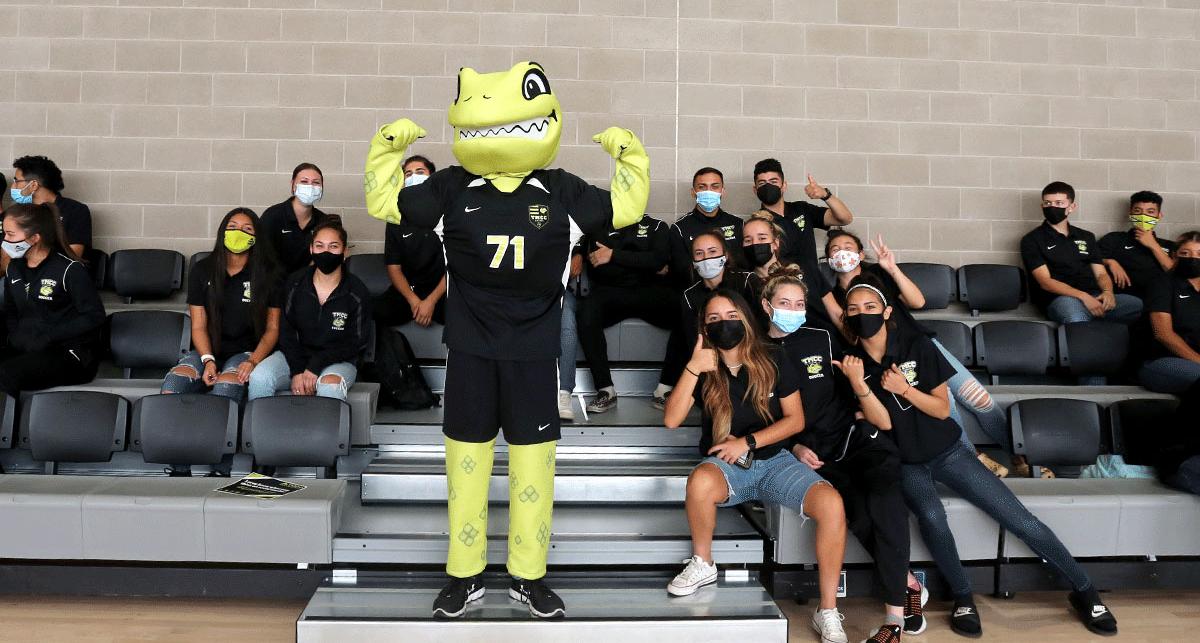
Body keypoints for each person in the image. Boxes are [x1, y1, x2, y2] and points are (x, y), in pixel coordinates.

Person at [363, 62, 651, 619]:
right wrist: (387, 148)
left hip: (534, 353)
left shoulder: (560, 187)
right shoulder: (451, 185)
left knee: (532, 472)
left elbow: (625, 207)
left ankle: (528, 576)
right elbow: (386, 203)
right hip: (469, 349)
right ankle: (464, 576)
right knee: (465, 469)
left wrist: (630, 155)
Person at [839, 275, 1118, 639]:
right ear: (844, 315)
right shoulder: (852, 364)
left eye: (871, 307)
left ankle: (1086, 591)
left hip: (947, 451)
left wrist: (904, 389)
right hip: (906, 461)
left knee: (1019, 518)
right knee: (933, 518)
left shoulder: (917, 345)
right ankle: (963, 597)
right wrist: (861, 386)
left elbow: (941, 409)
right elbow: (885, 422)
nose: (863, 314)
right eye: (854, 309)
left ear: (887, 311)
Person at [663, 289, 850, 643]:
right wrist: (692, 367)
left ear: (746, 318)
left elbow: (795, 420)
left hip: (776, 462)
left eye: (731, 315)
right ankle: (703, 564)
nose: (724, 323)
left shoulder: (773, 357)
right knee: (699, 482)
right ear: (704, 326)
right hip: (727, 467)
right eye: (714, 319)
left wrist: (746, 442)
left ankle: (827, 609)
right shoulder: (703, 364)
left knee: (832, 504)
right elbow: (672, 420)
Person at [760, 266, 918, 640]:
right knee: (857, 515)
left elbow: (862, 364)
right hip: (815, 455)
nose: (794, 310)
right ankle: (908, 582)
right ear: (767, 307)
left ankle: (894, 619)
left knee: (885, 503)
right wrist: (793, 446)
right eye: (785, 303)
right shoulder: (757, 351)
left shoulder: (823, 336)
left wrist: (862, 393)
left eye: (800, 303)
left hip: (859, 438)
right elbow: (759, 414)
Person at [825, 230, 1017, 477]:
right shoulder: (836, 297)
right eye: (834, 249)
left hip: (923, 346)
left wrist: (892, 268)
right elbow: (854, 336)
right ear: (828, 259)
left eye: (848, 246)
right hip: (892, 362)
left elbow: (918, 302)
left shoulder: (880, 274)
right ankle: (973, 460)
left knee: (980, 398)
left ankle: (1019, 455)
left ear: (860, 254)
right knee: (948, 407)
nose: (842, 252)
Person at [161, 208, 281, 403]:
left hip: (247, 352)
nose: (238, 232)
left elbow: (272, 328)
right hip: (207, 350)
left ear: (256, 236)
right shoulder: (203, 270)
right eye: (232, 227)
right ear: (222, 232)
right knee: (173, 386)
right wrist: (208, 360)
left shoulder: (269, 274)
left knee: (225, 390)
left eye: (247, 229)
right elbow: (198, 325)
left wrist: (253, 361)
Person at [248, 217, 370, 402]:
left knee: (330, 386)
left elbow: (356, 342)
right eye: (319, 246)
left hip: (338, 362)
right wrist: (297, 370)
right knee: (260, 378)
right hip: (294, 357)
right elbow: (286, 332)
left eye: (333, 246)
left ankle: (324, 432)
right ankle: (259, 430)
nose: (326, 252)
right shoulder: (295, 283)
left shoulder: (357, 291)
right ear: (311, 249)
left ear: (345, 251)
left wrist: (315, 366)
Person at [579, 213, 682, 414]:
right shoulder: (600, 225)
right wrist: (645, 264)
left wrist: (613, 255)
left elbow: (659, 259)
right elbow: (597, 267)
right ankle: (605, 390)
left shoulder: (657, 226)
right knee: (586, 311)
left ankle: (664, 390)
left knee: (686, 310)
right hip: (610, 293)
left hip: (650, 292)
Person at [0, 203, 105, 396]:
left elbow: (94, 316)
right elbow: (11, 311)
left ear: (34, 238)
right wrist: (18, 337)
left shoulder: (69, 269)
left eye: (10, 234)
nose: (5, 240)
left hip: (69, 354)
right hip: (28, 348)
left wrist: (49, 336)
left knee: (7, 374)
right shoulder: (13, 268)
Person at [1021, 181, 1142, 325]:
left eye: (1059, 203)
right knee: (1076, 317)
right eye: (1047, 203)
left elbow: (1101, 273)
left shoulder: (1086, 236)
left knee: (1135, 305)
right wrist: (1083, 297)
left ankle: (1093, 315)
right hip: (1060, 299)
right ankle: (1088, 323)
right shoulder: (1032, 240)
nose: (1052, 207)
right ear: (1042, 206)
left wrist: (1108, 292)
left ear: (1072, 207)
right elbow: (1046, 282)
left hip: (1094, 296)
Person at [752, 158, 853, 304]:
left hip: (814, 286)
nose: (768, 186)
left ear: (784, 186)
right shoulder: (757, 223)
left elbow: (845, 218)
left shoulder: (801, 209)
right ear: (755, 190)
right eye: (762, 183)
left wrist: (825, 195)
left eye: (773, 181)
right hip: (782, 293)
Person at [378, 155, 447, 329]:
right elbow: (394, 267)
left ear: (432, 177)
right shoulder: (396, 218)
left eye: (420, 171)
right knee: (379, 312)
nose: (414, 176)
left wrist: (430, 302)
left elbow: (456, 265)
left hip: (441, 290)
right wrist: (414, 301)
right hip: (409, 290)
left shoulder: (449, 214)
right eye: (408, 173)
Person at [742, 211, 843, 331]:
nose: (755, 244)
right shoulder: (745, 282)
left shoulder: (805, 267)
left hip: (821, 341)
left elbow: (836, 313)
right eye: (748, 240)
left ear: (775, 243)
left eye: (762, 238)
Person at [1139, 231, 1200, 393]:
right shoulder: (1162, 283)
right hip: (1163, 361)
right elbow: (1163, 334)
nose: (1193, 258)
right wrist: (1198, 360)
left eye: (1199, 254)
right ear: (1175, 256)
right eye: (1185, 253)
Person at [669, 167, 744, 287]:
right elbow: (681, 272)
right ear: (693, 192)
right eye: (702, 187)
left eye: (714, 186)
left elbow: (743, 265)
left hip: (734, 292)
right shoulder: (679, 228)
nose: (708, 191)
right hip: (697, 293)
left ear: (722, 191)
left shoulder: (738, 224)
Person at [9, 155, 92, 259]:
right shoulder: (20, 212)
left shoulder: (75, 210)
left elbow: (73, 256)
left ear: (33, 185)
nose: (13, 187)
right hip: (22, 272)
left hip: (57, 273)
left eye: (17, 181)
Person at [1100, 191, 1175, 302]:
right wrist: (1110, 262)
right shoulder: (1114, 239)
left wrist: (1153, 245)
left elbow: (1176, 274)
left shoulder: (1169, 245)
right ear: (1131, 213)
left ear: (1159, 215)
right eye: (1137, 211)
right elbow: (1089, 260)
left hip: (1158, 303)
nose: (1143, 216)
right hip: (1121, 301)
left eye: (1150, 212)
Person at [260, 163, 328, 275]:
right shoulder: (272, 216)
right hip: (273, 284)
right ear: (293, 185)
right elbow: (262, 258)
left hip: (306, 286)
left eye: (316, 183)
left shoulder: (324, 221)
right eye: (304, 182)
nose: (310, 186)